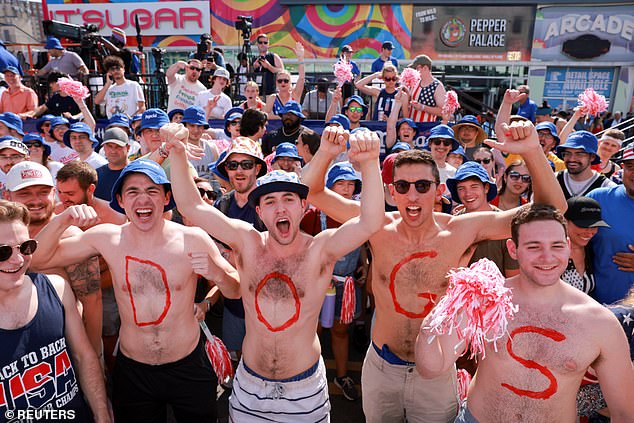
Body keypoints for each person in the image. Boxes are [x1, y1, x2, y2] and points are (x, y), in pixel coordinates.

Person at [302, 103, 566, 422]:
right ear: (391, 192)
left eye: (422, 186)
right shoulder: (376, 225)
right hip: (382, 366)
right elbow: (311, 191)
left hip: (437, 372)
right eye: (403, 187)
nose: (412, 196)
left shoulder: (460, 229)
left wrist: (532, 151)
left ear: (438, 190)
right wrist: (328, 151)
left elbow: (550, 210)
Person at [168, 123, 384, 422]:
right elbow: (191, 206)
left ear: (303, 207)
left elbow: (371, 221)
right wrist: (178, 153)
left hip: (304, 389)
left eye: (288, 199)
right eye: (269, 201)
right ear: (259, 212)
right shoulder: (248, 242)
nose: (280, 208)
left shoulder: (320, 249)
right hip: (250, 386)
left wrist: (371, 161)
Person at [31, 159, 240, 422]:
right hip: (134, 371)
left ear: (166, 198)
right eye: (133, 192)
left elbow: (235, 291)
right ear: (120, 199)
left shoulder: (192, 238)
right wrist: (63, 219)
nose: (143, 200)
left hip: (188, 365)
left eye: (152, 191)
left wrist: (217, 273)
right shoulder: (107, 238)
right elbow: (37, 260)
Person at [415, 204, 634, 423]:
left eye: (556, 246)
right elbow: (431, 366)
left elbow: (625, 412)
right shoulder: (487, 301)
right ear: (513, 249)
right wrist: (452, 296)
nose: (547, 257)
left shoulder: (600, 323)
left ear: (567, 247)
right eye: (534, 247)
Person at [0, 200, 110, 422]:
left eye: (25, 247)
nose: (19, 259)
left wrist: (102, 414)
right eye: (3, 252)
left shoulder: (56, 288)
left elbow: (83, 356)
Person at [4, 161, 103, 356]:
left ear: (53, 193)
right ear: (7, 196)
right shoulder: (3, 237)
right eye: (25, 193)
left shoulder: (69, 236)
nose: (36, 200)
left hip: (64, 350)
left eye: (43, 192)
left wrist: (93, 358)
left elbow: (92, 303)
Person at [300, 162, 366, 402]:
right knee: (311, 330)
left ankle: (341, 375)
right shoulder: (313, 215)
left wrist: (364, 265)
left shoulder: (360, 213)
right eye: (341, 184)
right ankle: (306, 375)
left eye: (351, 185)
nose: (346, 190)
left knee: (341, 331)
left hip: (347, 286)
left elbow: (366, 244)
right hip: (318, 285)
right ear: (329, 187)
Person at [447, 162, 519, 278]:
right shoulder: (453, 225)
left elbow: (514, 279)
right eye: (461, 188)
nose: (468, 194)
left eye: (474, 187)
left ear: (486, 188)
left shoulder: (504, 225)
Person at [586, 142, 634, 304]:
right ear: (622, 168)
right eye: (630, 166)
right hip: (600, 308)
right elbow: (570, 240)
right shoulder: (598, 198)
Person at [561, 196, 608, 295]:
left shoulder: (593, 250)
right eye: (583, 225)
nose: (590, 232)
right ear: (564, 221)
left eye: (595, 226)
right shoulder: (550, 253)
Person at [555, 131, 616, 199]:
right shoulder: (553, 180)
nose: (572, 159)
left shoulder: (607, 188)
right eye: (567, 153)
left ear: (592, 157)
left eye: (579, 154)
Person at [264, 43, 305, 120]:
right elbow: (265, 115)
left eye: (286, 81)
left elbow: (301, 78)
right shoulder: (273, 98)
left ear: (290, 82)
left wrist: (301, 59)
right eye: (280, 81)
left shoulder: (295, 95)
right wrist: (282, 117)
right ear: (276, 83)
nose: (283, 83)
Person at [181, 105, 219, 179]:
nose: (196, 130)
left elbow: (217, 176)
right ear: (185, 126)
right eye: (192, 126)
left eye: (199, 126)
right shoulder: (179, 149)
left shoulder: (212, 148)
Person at [94, 127, 130, 201]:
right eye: (109, 146)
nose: (113, 151)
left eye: (118, 146)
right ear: (103, 148)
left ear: (128, 147)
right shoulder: (96, 175)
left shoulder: (137, 172)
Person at [407, 55, 446, 123]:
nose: (414, 71)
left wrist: (422, 107)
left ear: (425, 68)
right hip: (412, 127)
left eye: (416, 68)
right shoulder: (415, 82)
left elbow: (443, 112)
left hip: (427, 128)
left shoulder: (437, 86)